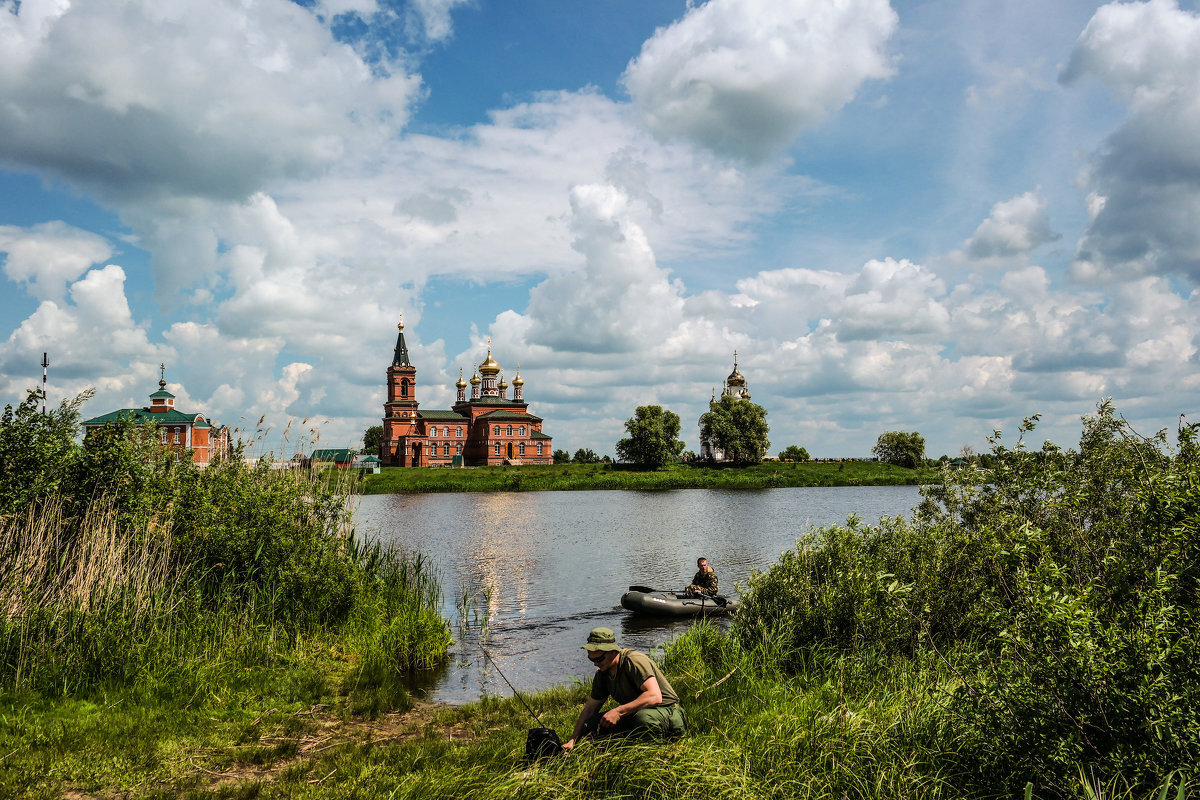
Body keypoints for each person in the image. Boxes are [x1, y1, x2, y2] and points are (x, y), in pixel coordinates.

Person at [561, 627, 686, 751]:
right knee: (591, 724)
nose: (595, 664)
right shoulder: (602, 674)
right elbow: (590, 709)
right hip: (636, 713)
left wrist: (618, 712)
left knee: (643, 719)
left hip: (667, 711)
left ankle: (655, 753)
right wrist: (573, 740)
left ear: (612, 652)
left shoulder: (633, 660)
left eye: (598, 659)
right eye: (591, 659)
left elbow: (654, 696)